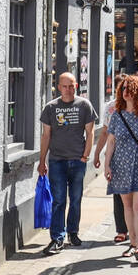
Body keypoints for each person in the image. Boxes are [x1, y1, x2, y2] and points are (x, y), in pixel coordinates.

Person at [101, 74, 138, 262]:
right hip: (120, 165)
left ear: (137, 91)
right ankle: (133, 243)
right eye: (123, 89)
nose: (125, 92)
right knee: (127, 206)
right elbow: (111, 141)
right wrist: (107, 165)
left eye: (129, 88)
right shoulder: (117, 115)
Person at [38, 73, 97, 254]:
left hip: (77, 161)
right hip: (57, 161)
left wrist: (85, 157)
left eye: (71, 86)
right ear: (58, 87)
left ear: (76, 86)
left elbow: (90, 133)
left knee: (76, 199)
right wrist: (42, 161)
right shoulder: (51, 108)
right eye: (65, 86)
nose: (68, 90)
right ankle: (57, 238)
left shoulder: (84, 105)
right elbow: (46, 136)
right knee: (59, 200)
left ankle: (73, 232)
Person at [92, 81, 129, 243]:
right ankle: (122, 229)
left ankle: (136, 229)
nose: (124, 92)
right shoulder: (111, 107)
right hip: (115, 156)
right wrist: (97, 153)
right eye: (121, 89)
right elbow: (105, 132)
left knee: (137, 196)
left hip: (137, 158)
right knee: (118, 193)